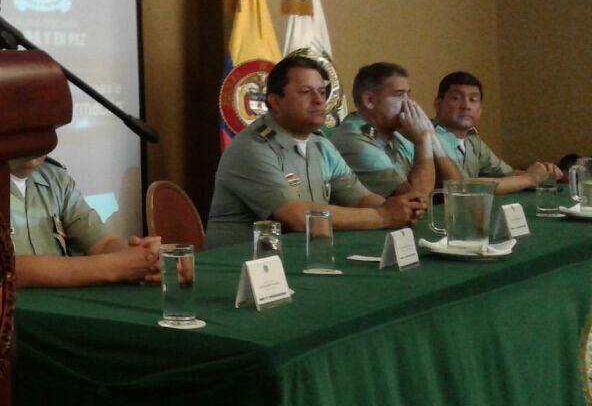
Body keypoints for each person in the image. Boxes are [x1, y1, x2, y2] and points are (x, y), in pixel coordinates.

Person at [207, 56, 425, 248]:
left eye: (321, 92)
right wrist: (383, 216)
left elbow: (359, 198)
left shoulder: (320, 145)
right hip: (239, 265)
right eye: (305, 92)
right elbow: (296, 217)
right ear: (275, 102)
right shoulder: (253, 147)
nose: (319, 100)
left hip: (298, 256)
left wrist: (402, 209)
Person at [10, 156, 160, 287]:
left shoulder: (56, 178)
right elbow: (11, 270)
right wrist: (113, 267)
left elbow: (102, 243)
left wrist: (146, 255)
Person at [330, 62, 458, 197]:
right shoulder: (354, 137)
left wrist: (431, 138)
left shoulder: (400, 132)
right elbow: (417, 199)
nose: (409, 103)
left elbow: (459, 187)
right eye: (399, 95)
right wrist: (422, 141)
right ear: (369, 100)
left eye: (408, 95)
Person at [432, 71, 561, 193]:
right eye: (456, 98)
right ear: (438, 105)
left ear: (480, 110)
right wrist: (528, 179)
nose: (466, 106)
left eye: (473, 100)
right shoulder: (431, 136)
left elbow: (507, 174)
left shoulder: (473, 140)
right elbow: (462, 187)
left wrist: (543, 173)